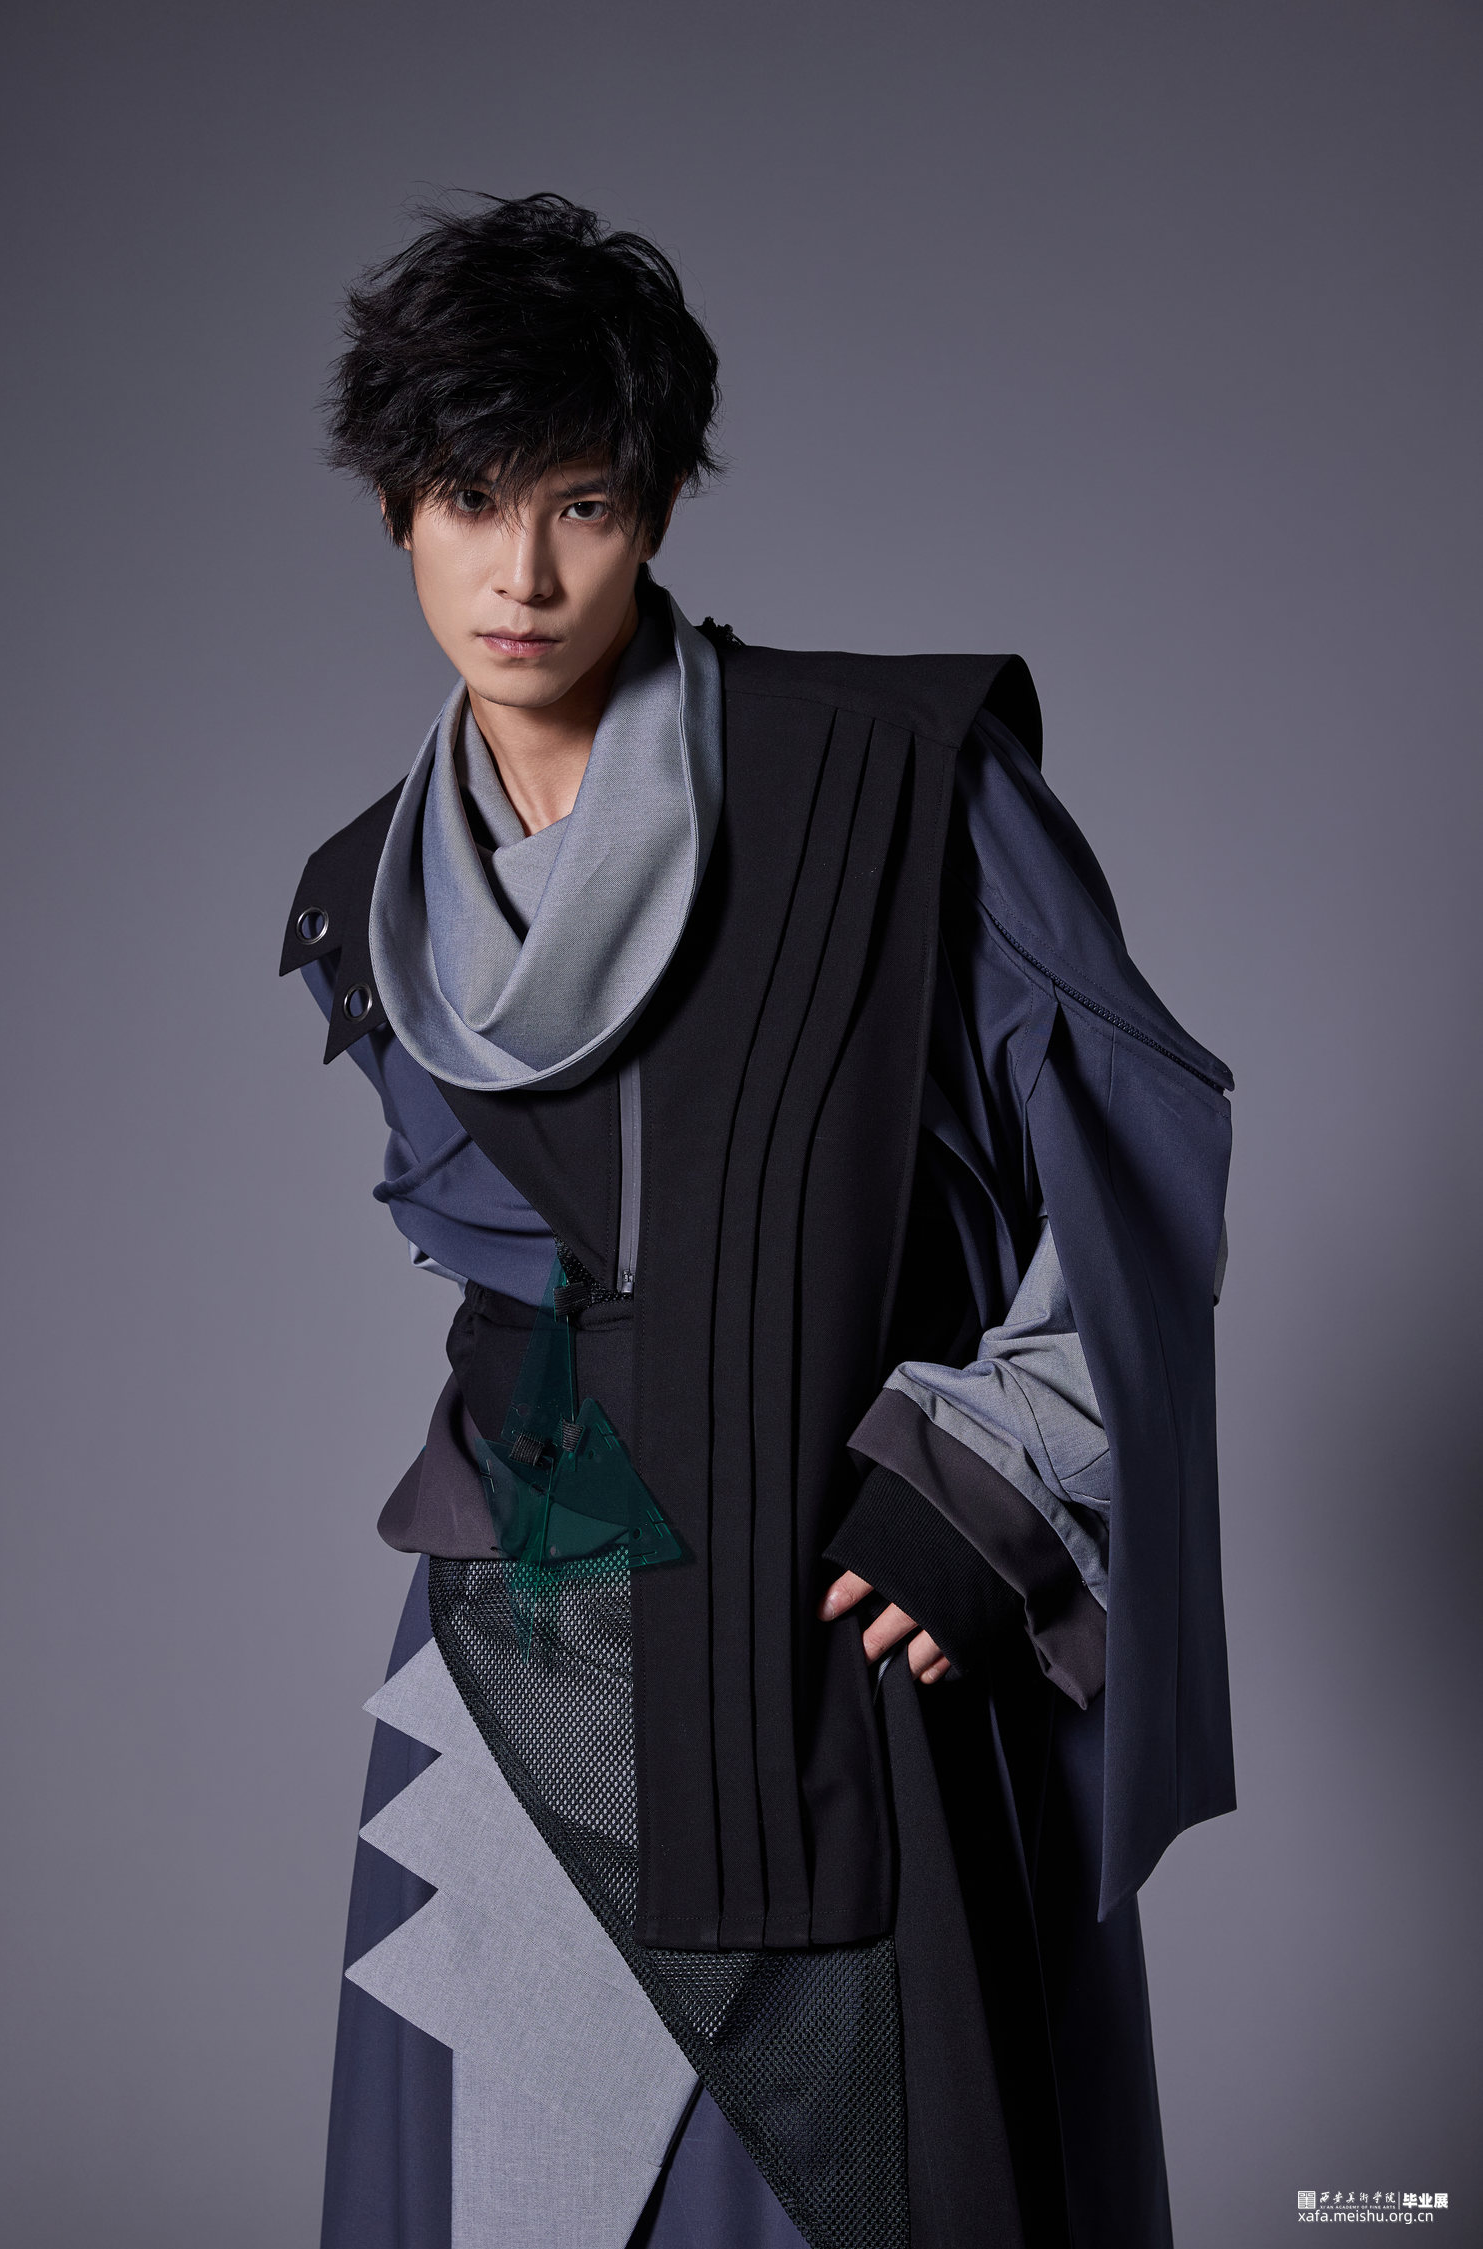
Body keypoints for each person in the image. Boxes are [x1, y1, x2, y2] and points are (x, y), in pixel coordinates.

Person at [283, 192, 1235, 2249]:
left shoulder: (887, 777)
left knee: (849, 2177)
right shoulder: (369, 893)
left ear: (656, 506)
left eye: (582, 501)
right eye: (469, 500)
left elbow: (1131, 1147)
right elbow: (523, 1282)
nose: (524, 572)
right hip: (533, 1636)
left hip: (834, 1623)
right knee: (512, 2186)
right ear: (395, 511)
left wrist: (989, 1482)